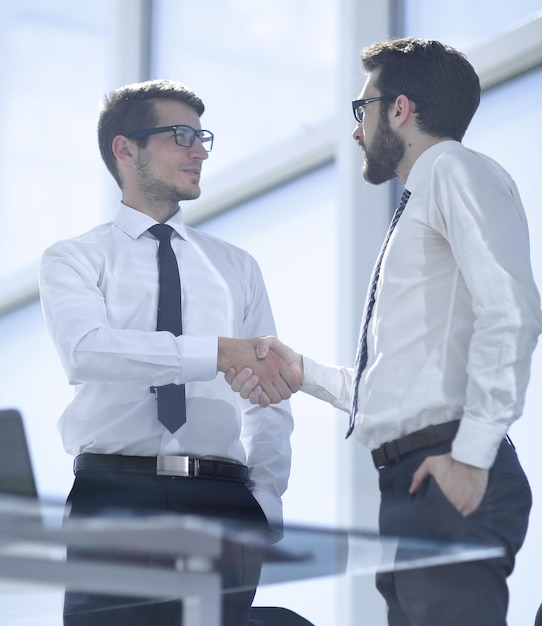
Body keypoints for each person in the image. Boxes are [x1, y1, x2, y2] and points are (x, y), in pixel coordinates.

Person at [226, 38, 542, 625]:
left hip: (450, 470)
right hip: (413, 483)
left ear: (400, 109)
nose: (355, 131)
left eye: (361, 109)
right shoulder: (426, 196)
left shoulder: (453, 170)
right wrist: (305, 374)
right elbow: (402, 384)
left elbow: (515, 308)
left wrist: (470, 459)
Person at [39, 79, 300, 626]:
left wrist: (265, 503)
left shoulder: (237, 268)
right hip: (114, 496)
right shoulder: (76, 259)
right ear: (125, 149)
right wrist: (218, 353)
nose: (200, 150)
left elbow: (271, 396)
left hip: (223, 503)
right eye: (181, 135)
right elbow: (88, 352)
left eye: (203, 137)